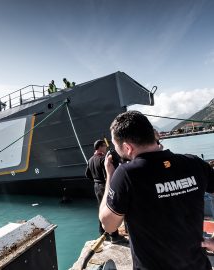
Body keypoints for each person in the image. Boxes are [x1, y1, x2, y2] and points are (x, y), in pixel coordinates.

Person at [99, 110, 214, 270]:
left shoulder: (126, 174)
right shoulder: (195, 163)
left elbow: (109, 225)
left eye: (115, 145)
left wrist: (110, 176)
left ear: (127, 147)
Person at [86, 140, 128, 244]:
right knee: (110, 208)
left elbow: (87, 175)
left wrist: (96, 181)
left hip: (96, 186)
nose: (105, 148)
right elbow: (109, 174)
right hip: (105, 186)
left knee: (101, 208)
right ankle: (114, 236)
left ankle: (102, 233)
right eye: (104, 146)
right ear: (100, 147)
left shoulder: (90, 159)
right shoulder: (103, 159)